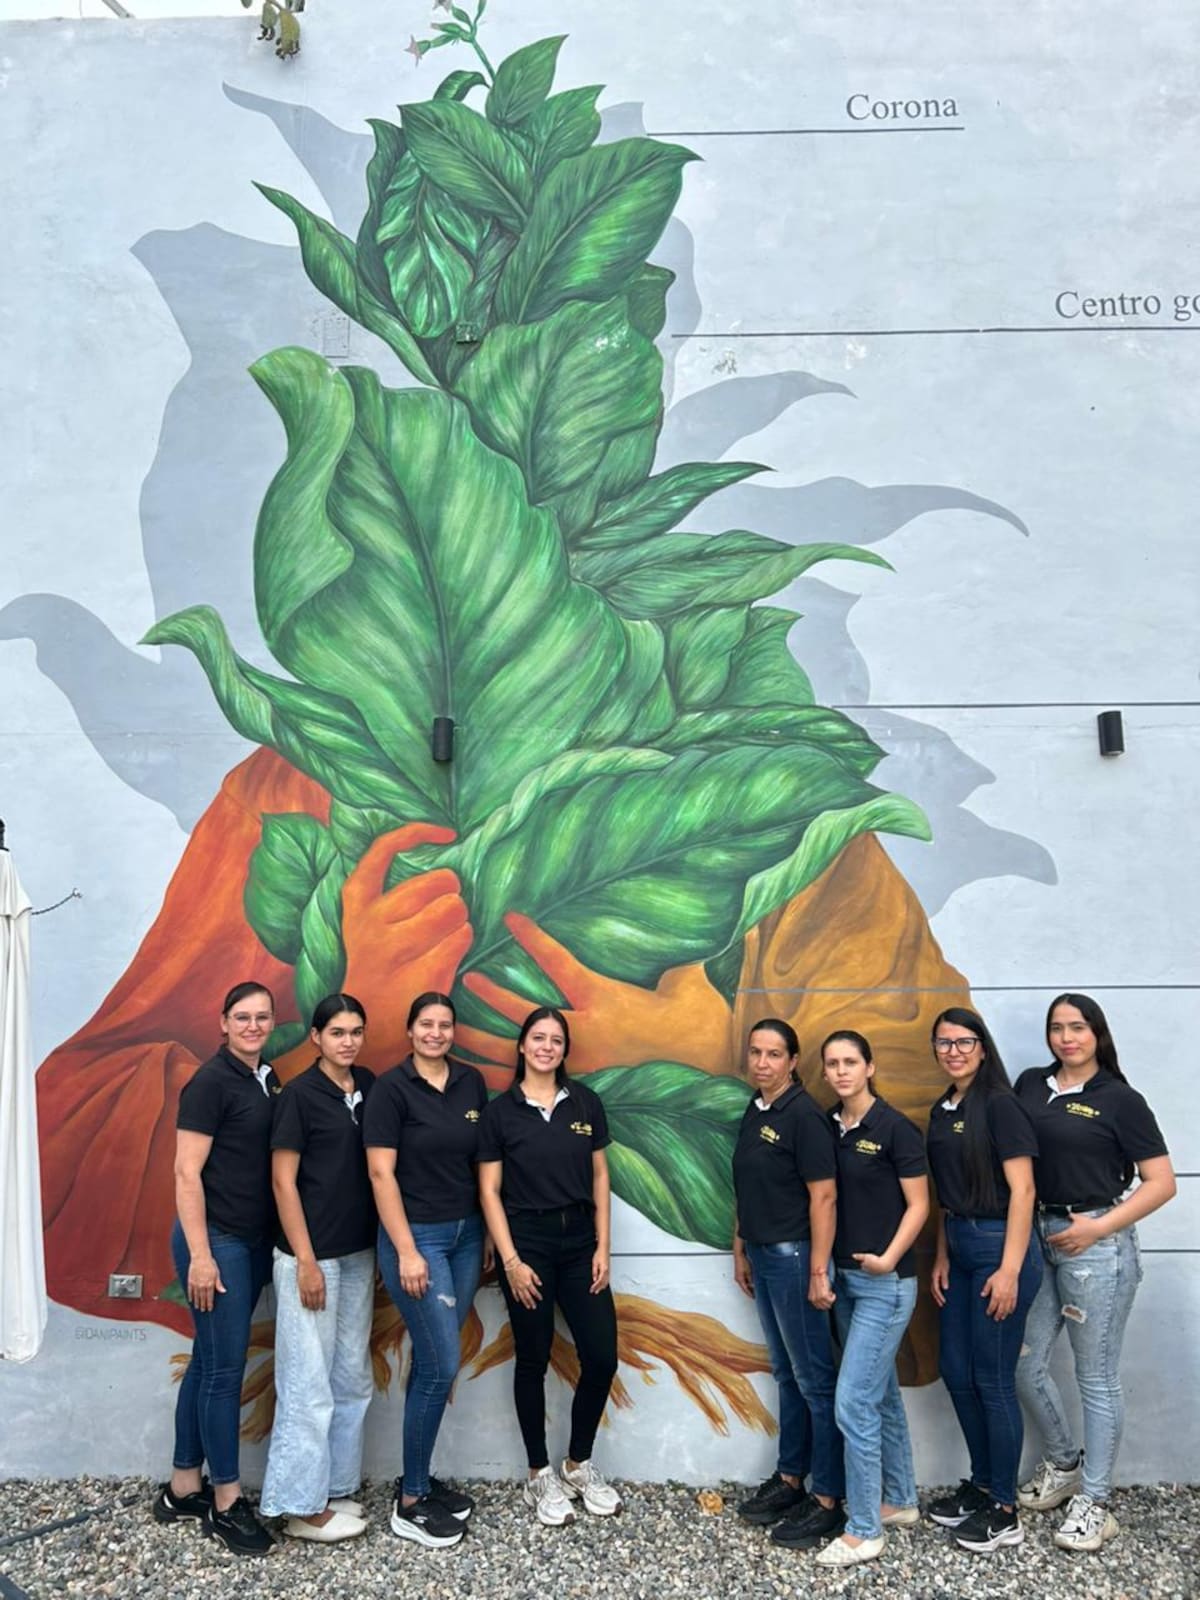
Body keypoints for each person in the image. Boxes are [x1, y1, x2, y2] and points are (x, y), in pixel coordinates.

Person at [1014, 993, 1176, 1552]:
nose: (1066, 1038)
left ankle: (1096, 1502)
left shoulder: (1121, 1100)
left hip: (1097, 1248)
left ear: (1096, 1033)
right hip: (1039, 1239)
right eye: (1057, 1028)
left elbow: (1161, 1182)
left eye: (1077, 1027)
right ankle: (1063, 1463)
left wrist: (1098, 1230)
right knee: (1023, 1363)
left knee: (1096, 1377)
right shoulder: (1032, 1085)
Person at [477, 1006, 621, 1526]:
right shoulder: (500, 1113)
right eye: (537, 1038)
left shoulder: (585, 1102)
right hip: (528, 1245)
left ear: (564, 1049)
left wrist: (604, 1246)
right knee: (533, 1359)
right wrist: (510, 1261)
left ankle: (578, 1464)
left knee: (601, 1356)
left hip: (581, 1242)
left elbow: (600, 1177)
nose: (546, 1047)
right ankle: (539, 1474)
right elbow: (489, 1191)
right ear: (521, 1046)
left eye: (555, 1040)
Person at [151, 982, 281, 1556]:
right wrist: (201, 1257)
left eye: (261, 1017)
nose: (252, 1025)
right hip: (218, 1242)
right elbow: (186, 1174)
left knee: (207, 1361)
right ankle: (226, 1502)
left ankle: (183, 1487)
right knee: (226, 1371)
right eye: (242, 1017)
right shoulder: (209, 1083)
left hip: (251, 1242)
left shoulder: (265, 1078)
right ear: (223, 1022)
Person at [364, 991, 487, 1549]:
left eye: (444, 1025)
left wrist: (483, 1234)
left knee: (433, 1363)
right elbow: (380, 1175)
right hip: (418, 1241)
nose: (436, 1033)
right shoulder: (391, 1090)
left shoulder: (471, 1084)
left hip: (464, 1238)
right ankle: (410, 1502)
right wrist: (408, 1250)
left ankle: (420, 1480)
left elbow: (479, 1165)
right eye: (426, 1025)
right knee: (441, 1365)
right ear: (410, 1031)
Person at [259, 994, 377, 1542]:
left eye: (355, 1031)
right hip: (312, 1258)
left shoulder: (370, 1087)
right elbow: (283, 1182)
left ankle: (335, 1488)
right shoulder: (300, 1096)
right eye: (337, 1032)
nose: (347, 1041)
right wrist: (305, 1260)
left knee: (351, 1377)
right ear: (316, 1037)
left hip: (358, 1253)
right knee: (308, 1382)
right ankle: (300, 1506)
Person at [925, 1006, 1042, 1554]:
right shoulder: (942, 1109)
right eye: (943, 1043)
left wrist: (1011, 1269)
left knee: (993, 1379)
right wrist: (944, 1256)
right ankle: (979, 1484)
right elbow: (947, 1194)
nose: (953, 1051)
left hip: (1002, 1248)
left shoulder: (1001, 1106)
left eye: (963, 1042)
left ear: (983, 1046)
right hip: (961, 1245)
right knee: (956, 1369)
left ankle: (1004, 1509)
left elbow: (1023, 1191)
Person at [814, 1030, 929, 1568]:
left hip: (886, 1283)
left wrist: (888, 1258)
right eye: (833, 1063)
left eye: (850, 1062)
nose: (841, 1072)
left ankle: (864, 1528)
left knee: (853, 1402)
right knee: (878, 1396)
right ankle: (899, 1500)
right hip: (843, 1283)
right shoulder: (829, 1128)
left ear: (870, 1067)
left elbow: (919, 1206)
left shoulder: (895, 1129)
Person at [731, 1019, 845, 1552]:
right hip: (762, 1253)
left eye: (774, 1054)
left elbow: (824, 1198)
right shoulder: (755, 1112)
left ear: (793, 1061)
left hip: (796, 1258)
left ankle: (827, 1499)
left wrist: (819, 1270)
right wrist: (740, 1246)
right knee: (787, 1372)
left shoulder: (804, 1117)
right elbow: (748, 1186)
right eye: (755, 1052)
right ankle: (791, 1476)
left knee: (815, 1379)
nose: (762, 1062)